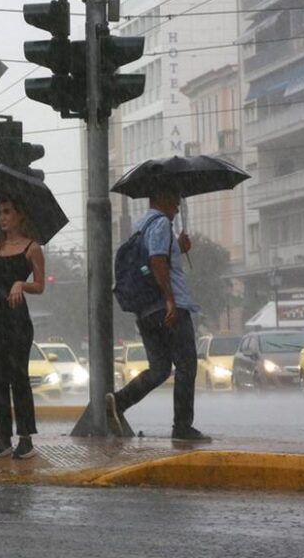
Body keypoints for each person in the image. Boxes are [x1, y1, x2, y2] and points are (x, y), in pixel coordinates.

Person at [105, 186, 210, 442]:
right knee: (186, 366)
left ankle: (119, 401)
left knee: (160, 368)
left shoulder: (141, 225)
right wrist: (171, 300)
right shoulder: (162, 223)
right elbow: (156, 261)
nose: (178, 202)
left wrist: (179, 247)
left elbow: (154, 257)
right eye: (174, 196)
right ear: (160, 197)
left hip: (145, 310)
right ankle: (183, 427)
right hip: (167, 309)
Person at [0, 195, 46, 459]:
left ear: (19, 216)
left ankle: (25, 437)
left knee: (19, 377)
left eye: (7, 212)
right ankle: (3, 437)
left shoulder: (32, 248)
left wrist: (21, 284)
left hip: (16, 319)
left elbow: (40, 285)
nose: (2, 217)